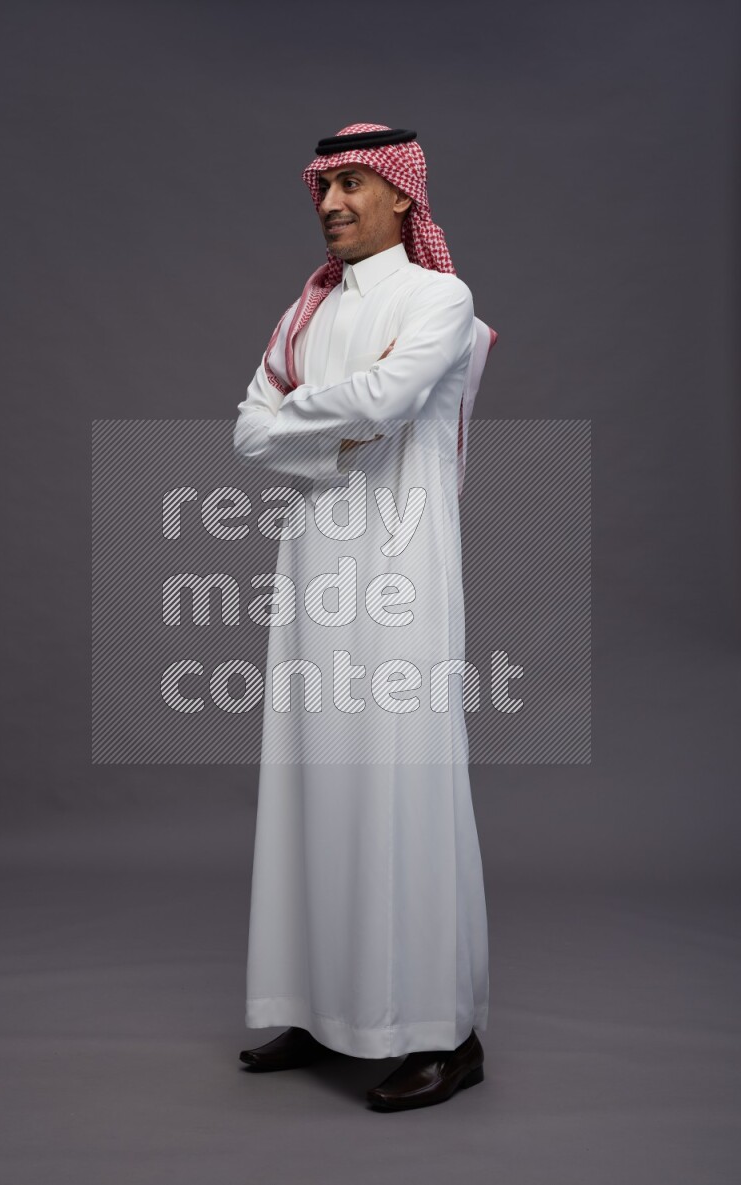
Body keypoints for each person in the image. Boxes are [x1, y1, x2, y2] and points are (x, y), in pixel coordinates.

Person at [232, 123, 498, 1111]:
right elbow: (248, 431)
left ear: (401, 198)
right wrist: (337, 433)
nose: (333, 203)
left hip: (400, 571)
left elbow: (388, 401)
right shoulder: (303, 312)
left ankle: (440, 1033)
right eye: (324, 186)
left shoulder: (439, 297)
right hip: (309, 571)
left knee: (399, 783)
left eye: (352, 184)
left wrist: (323, 418)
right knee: (309, 775)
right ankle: (317, 1004)